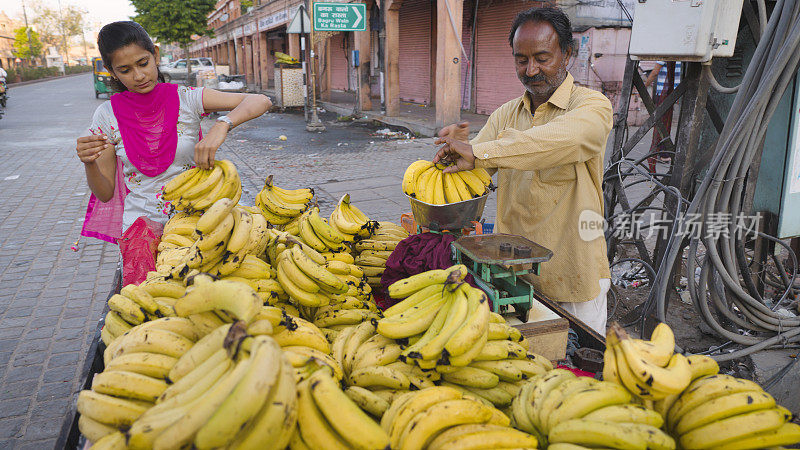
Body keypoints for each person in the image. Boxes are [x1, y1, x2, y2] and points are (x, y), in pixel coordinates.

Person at [433, 6, 613, 333]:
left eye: (542, 58)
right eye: (521, 60)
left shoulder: (592, 107)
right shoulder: (505, 114)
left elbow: (560, 141)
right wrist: (454, 155)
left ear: (567, 54)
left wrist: (480, 151)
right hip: (513, 274)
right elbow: (477, 171)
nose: (531, 70)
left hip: (572, 275)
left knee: (581, 370)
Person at [75, 21, 271, 236]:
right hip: (140, 231)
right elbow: (104, 193)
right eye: (125, 70)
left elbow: (260, 100)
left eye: (143, 63)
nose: (139, 75)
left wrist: (222, 125)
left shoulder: (187, 98)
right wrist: (89, 163)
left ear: (155, 55)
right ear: (111, 71)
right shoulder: (107, 114)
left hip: (197, 223)